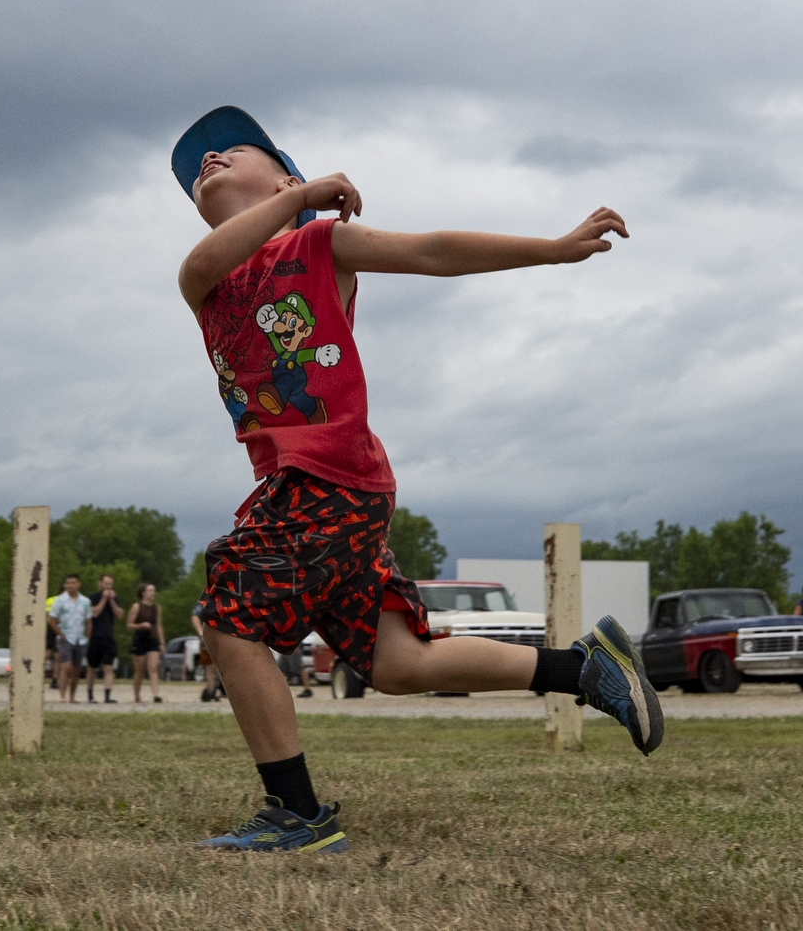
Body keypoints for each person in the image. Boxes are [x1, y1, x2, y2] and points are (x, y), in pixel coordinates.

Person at [170, 106, 661, 852]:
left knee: (230, 616)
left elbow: (433, 252)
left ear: (287, 175)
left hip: (325, 478)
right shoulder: (206, 278)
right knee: (397, 663)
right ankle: (584, 667)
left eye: (233, 151)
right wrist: (298, 196)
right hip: (335, 491)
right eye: (198, 169)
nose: (210, 161)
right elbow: (204, 263)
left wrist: (554, 250)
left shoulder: (319, 243)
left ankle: (296, 813)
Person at [49, 574, 91, 703]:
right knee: (66, 665)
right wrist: (60, 633)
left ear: (78, 584)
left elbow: (88, 620)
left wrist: (88, 636)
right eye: (68, 583)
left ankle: (72, 696)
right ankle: (62, 695)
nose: (71, 585)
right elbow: (52, 620)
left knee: (76, 669)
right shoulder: (60, 601)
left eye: (73, 583)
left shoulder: (85, 601)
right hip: (65, 636)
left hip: (80, 638)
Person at [85, 574, 122, 703]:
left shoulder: (114, 598)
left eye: (110, 584)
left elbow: (119, 614)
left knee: (109, 667)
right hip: (95, 636)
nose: (108, 586)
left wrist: (112, 600)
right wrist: (104, 599)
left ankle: (107, 696)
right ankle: (90, 695)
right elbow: (94, 613)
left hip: (108, 636)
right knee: (92, 667)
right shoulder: (92, 597)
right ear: (100, 584)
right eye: (106, 583)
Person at [128, 582, 164, 704]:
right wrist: (141, 625)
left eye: (153, 590)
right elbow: (129, 625)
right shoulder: (136, 607)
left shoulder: (157, 607)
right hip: (140, 639)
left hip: (152, 639)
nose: (152, 593)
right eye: (149, 590)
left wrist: (162, 642)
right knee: (140, 670)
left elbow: (159, 625)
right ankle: (137, 695)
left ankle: (156, 695)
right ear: (143, 593)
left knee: (153, 668)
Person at [195, 602, 225, 702]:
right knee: (210, 666)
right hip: (209, 637)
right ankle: (211, 690)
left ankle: (212, 690)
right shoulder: (205, 600)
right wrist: (200, 632)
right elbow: (195, 617)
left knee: (215, 667)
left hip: (220, 636)